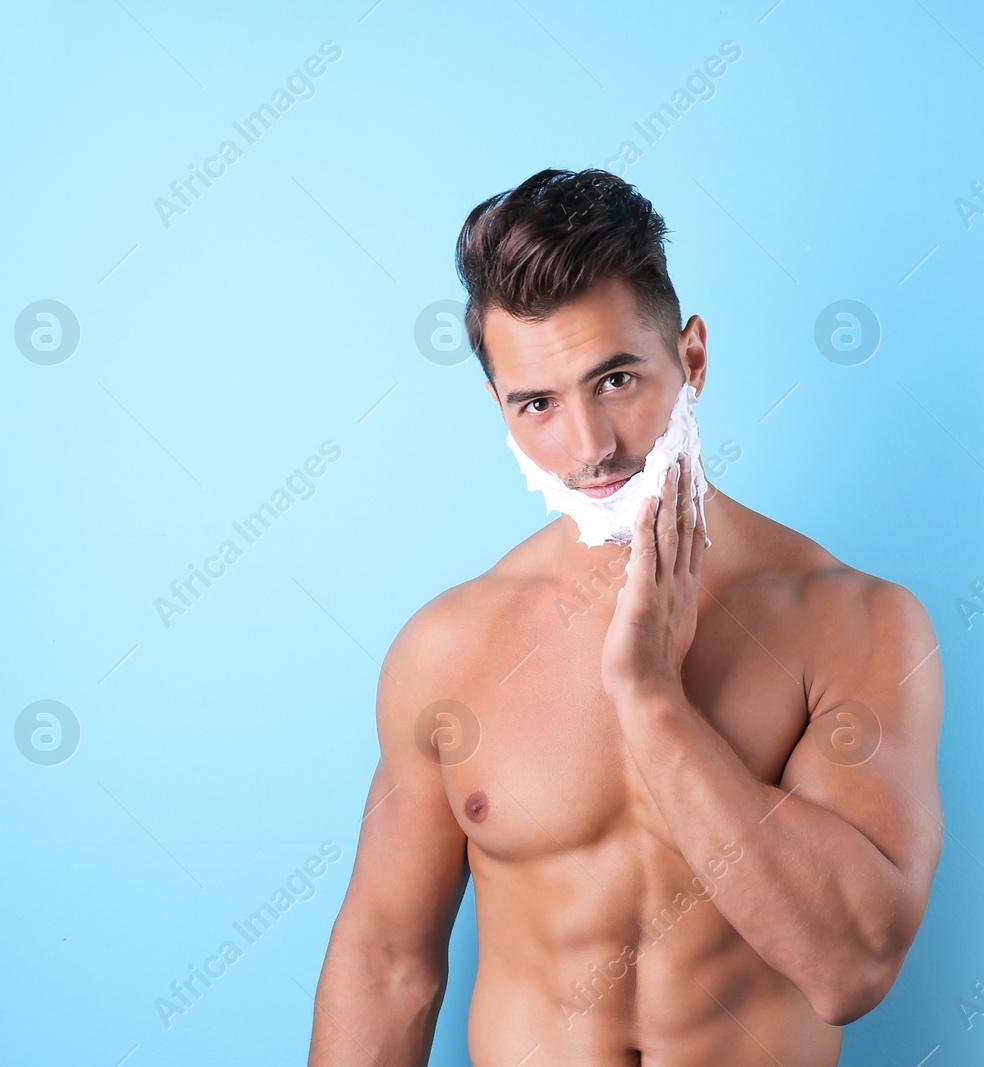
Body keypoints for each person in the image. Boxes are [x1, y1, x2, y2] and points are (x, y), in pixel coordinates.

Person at [309, 168, 943, 1066]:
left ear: (691, 359)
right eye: (538, 404)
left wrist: (652, 697)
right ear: (500, 408)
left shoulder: (854, 623)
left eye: (614, 379)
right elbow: (388, 966)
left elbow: (849, 965)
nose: (589, 448)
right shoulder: (448, 651)